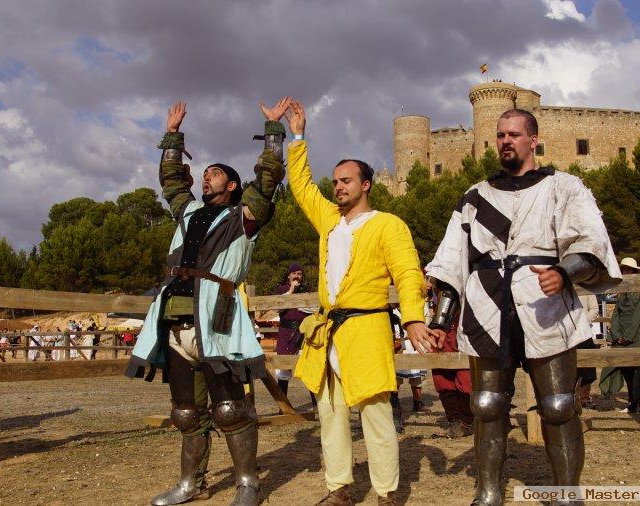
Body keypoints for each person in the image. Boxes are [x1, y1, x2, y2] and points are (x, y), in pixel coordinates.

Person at [425, 107, 622, 505]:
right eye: (500, 135)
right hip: (486, 303)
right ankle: (489, 493)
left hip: (542, 302)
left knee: (558, 405)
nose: (505, 141)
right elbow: (451, 259)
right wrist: (441, 319)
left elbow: (589, 240)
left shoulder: (563, 187)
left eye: (513, 134)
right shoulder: (475, 197)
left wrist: (565, 272)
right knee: (486, 405)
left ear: (533, 140)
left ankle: (567, 494)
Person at [125, 98, 289, 506]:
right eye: (205, 173)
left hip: (217, 322)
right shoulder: (188, 213)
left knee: (231, 408)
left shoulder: (243, 218)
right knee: (186, 412)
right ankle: (189, 484)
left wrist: (272, 132)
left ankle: (248, 485)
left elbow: (267, 181)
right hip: (176, 322)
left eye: (215, 173)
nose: (207, 177)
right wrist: (173, 137)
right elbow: (171, 184)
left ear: (232, 186)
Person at [285, 99, 439, 506]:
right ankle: (340, 486)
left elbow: (408, 273)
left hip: (368, 328)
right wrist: (297, 137)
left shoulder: (388, 225)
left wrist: (412, 319)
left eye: (347, 181)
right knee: (330, 413)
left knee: (376, 414)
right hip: (326, 330)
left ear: (366, 184)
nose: (338, 187)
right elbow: (300, 186)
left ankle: (386, 491)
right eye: (336, 181)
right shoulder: (329, 220)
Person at [600, 258, 640, 414]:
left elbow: (639, 313)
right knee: (626, 369)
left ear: (635, 272)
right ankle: (633, 402)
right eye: (623, 270)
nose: (626, 272)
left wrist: (629, 335)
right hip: (621, 334)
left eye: (629, 270)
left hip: (637, 334)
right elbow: (616, 313)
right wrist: (616, 334)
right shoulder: (622, 291)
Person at [272, 263, 316, 406]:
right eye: (295, 273)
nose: (297, 276)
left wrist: (303, 304)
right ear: (289, 275)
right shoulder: (281, 290)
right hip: (286, 332)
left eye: (300, 274)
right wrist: (291, 291)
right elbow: (277, 308)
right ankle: (283, 406)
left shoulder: (306, 290)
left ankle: (316, 403)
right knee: (284, 368)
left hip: (304, 332)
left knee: (310, 366)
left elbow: (314, 308)